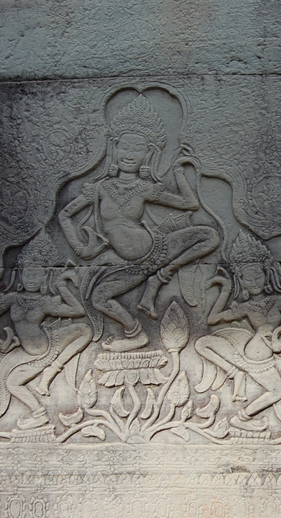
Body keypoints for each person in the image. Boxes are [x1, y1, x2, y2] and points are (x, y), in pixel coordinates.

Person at [58, 95, 219, 351]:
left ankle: (163, 275)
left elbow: (190, 204)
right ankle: (135, 334)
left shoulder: (145, 189)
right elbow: (64, 215)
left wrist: (178, 171)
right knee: (99, 298)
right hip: (129, 265)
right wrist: (81, 249)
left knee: (210, 236)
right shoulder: (99, 188)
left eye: (137, 149)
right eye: (125, 147)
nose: (130, 155)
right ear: (115, 149)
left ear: (148, 154)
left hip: (156, 249)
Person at [0, 232, 92, 430]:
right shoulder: (11, 298)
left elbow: (78, 311)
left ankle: (52, 370)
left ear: (45, 275)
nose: (31, 278)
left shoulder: (44, 302)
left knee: (84, 330)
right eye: (27, 273)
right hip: (26, 353)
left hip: (48, 348)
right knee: (12, 383)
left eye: (36, 273)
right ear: (19, 273)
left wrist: (61, 286)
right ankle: (39, 414)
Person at [195, 233, 281, 431]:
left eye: (257, 275)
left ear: (266, 274)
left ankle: (240, 418)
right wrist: (226, 289)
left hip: (265, 360)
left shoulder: (279, 302)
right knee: (201, 343)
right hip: (244, 354)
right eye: (247, 277)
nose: (253, 282)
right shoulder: (246, 307)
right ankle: (234, 373)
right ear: (241, 280)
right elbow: (213, 319)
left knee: (277, 391)